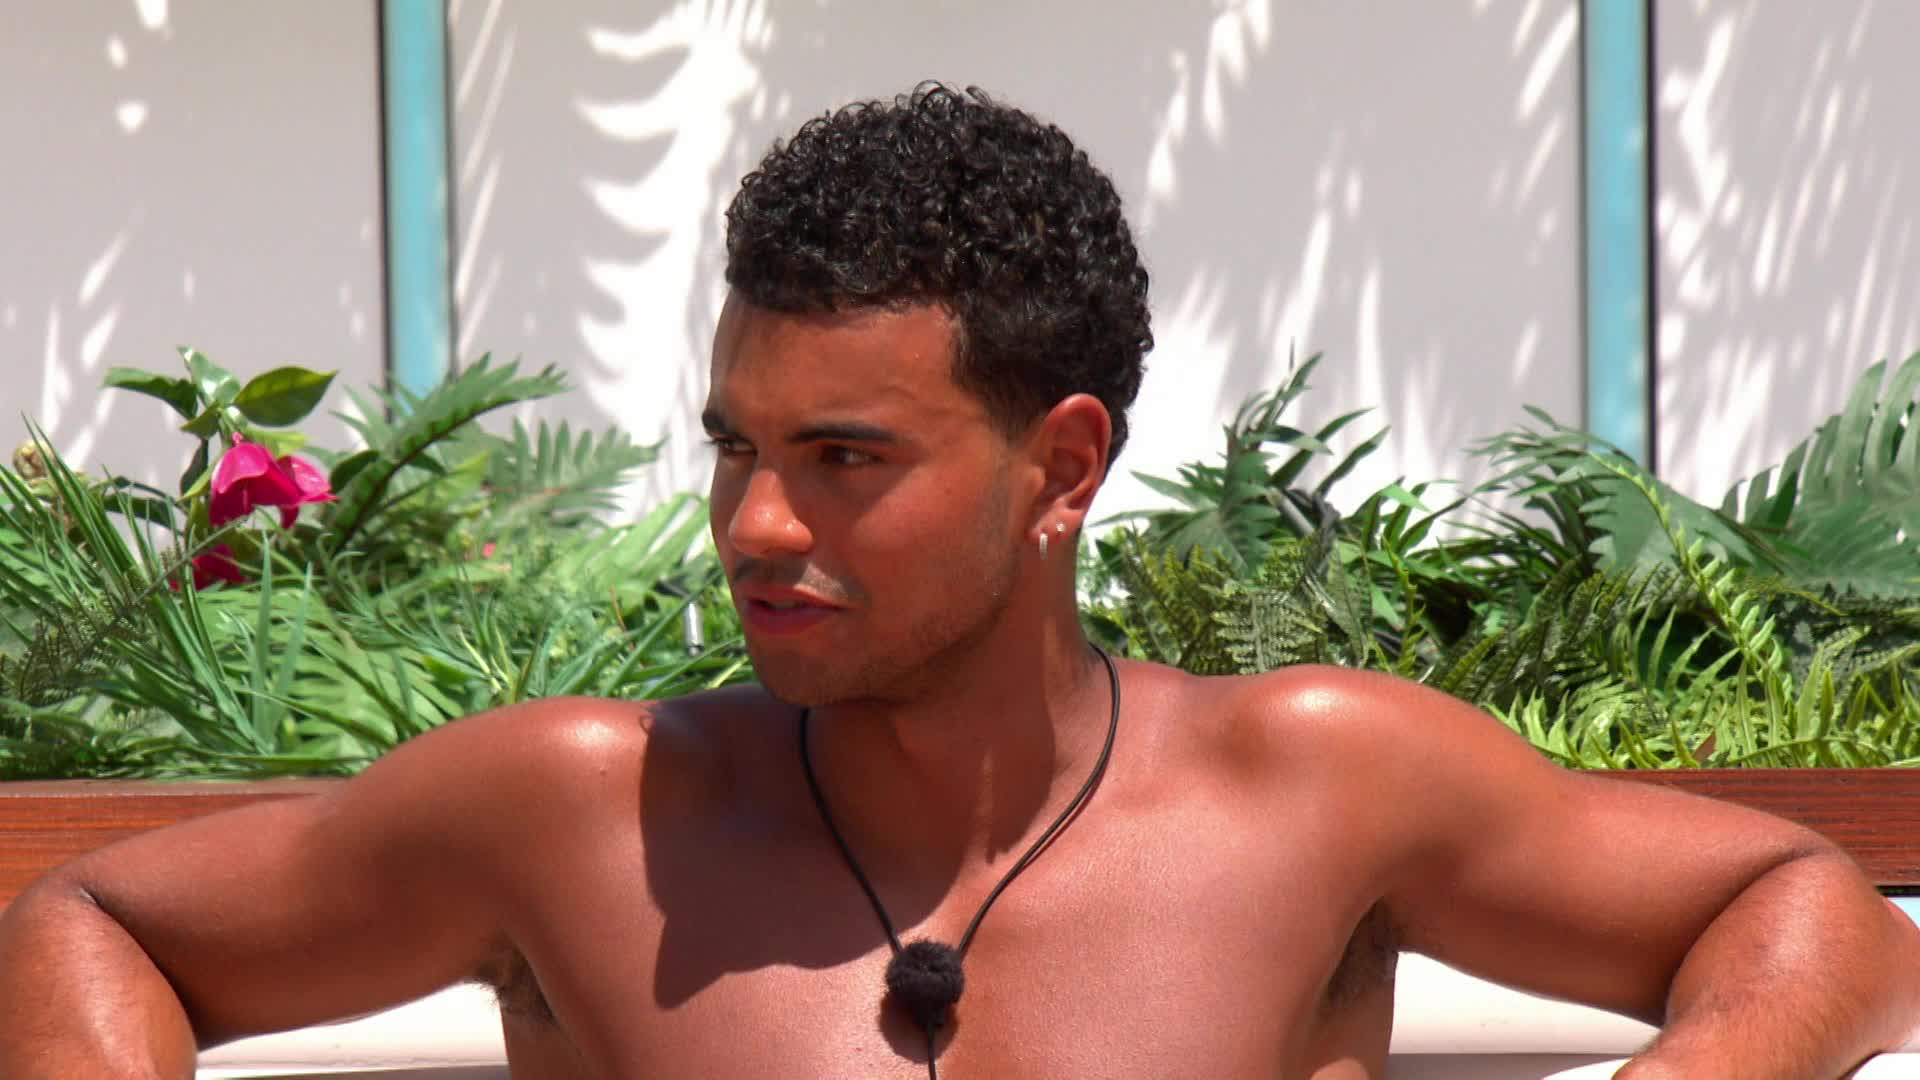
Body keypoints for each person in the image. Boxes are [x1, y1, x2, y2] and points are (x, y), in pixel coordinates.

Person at [1, 83, 1916, 1080]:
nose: (757, 525)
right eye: (737, 446)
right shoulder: (585, 818)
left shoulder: (1315, 787)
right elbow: (93, 919)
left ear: (1061, 468)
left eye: (845, 461)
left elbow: (1819, 910)